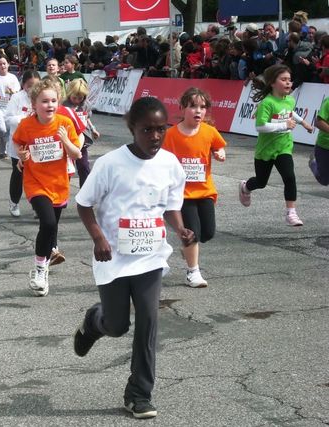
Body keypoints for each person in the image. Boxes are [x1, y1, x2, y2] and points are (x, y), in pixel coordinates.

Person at [72, 96, 194, 419]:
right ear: (132, 129)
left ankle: (139, 393)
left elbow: (171, 208)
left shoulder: (170, 165)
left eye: (160, 129)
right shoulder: (111, 164)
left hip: (150, 256)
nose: (155, 136)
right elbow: (84, 204)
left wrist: (180, 229)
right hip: (112, 256)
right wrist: (98, 237)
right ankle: (93, 322)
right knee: (116, 325)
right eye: (147, 130)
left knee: (149, 321)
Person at [13, 78, 82, 296]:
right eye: (44, 101)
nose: (49, 105)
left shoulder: (65, 123)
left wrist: (66, 141)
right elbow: (18, 143)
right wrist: (21, 155)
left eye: (53, 101)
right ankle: (40, 269)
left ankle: (47, 264)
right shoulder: (26, 125)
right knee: (48, 221)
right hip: (35, 183)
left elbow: (77, 154)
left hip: (59, 183)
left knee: (52, 228)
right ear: (34, 104)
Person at [163, 88, 226, 287]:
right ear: (182, 108)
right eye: (192, 106)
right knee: (192, 234)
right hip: (182, 194)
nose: (198, 111)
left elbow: (218, 145)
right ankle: (193, 272)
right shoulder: (171, 134)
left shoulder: (209, 132)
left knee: (207, 233)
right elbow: (160, 159)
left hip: (205, 191)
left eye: (202, 107)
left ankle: (188, 249)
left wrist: (219, 153)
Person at [239, 64, 313, 226]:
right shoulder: (267, 103)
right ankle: (245, 187)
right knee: (261, 182)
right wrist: (284, 126)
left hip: (284, 147)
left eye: (289, 80)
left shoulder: (290, 100)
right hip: (265, 150)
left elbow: (291, 112)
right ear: (273, 82)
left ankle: (291, 213)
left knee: (289, 177)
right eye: (284, 80)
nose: (288, 83)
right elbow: (260, 127)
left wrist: (304, 123)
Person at [4, 70, 41, 217]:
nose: (32, 89)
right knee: (19, 173)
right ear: (23, 84)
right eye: (29, 85)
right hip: (19, 142)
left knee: (37, 176)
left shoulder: (42, 97)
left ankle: (38, 207)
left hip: (37, 143)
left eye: (36, 85)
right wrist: (24, 119)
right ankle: (14, 203)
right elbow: (8, 119)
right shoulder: (17, 98)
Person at [62, 79, 100, 188]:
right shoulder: (63, 105)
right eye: (75, 97)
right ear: (70, 94)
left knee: (84, 166)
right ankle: (63, 190)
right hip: (67, 141)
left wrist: (93, 130)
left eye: (80, 98)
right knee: (67, 168)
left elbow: (87, 118)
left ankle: (84, 193)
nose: (77, 100)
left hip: (82, 139)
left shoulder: (85, 105)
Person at [308, 97, 329, 186]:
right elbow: (318, 122)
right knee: (324, 180)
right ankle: (313, 163)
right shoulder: (328, 101)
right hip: (325, 146)